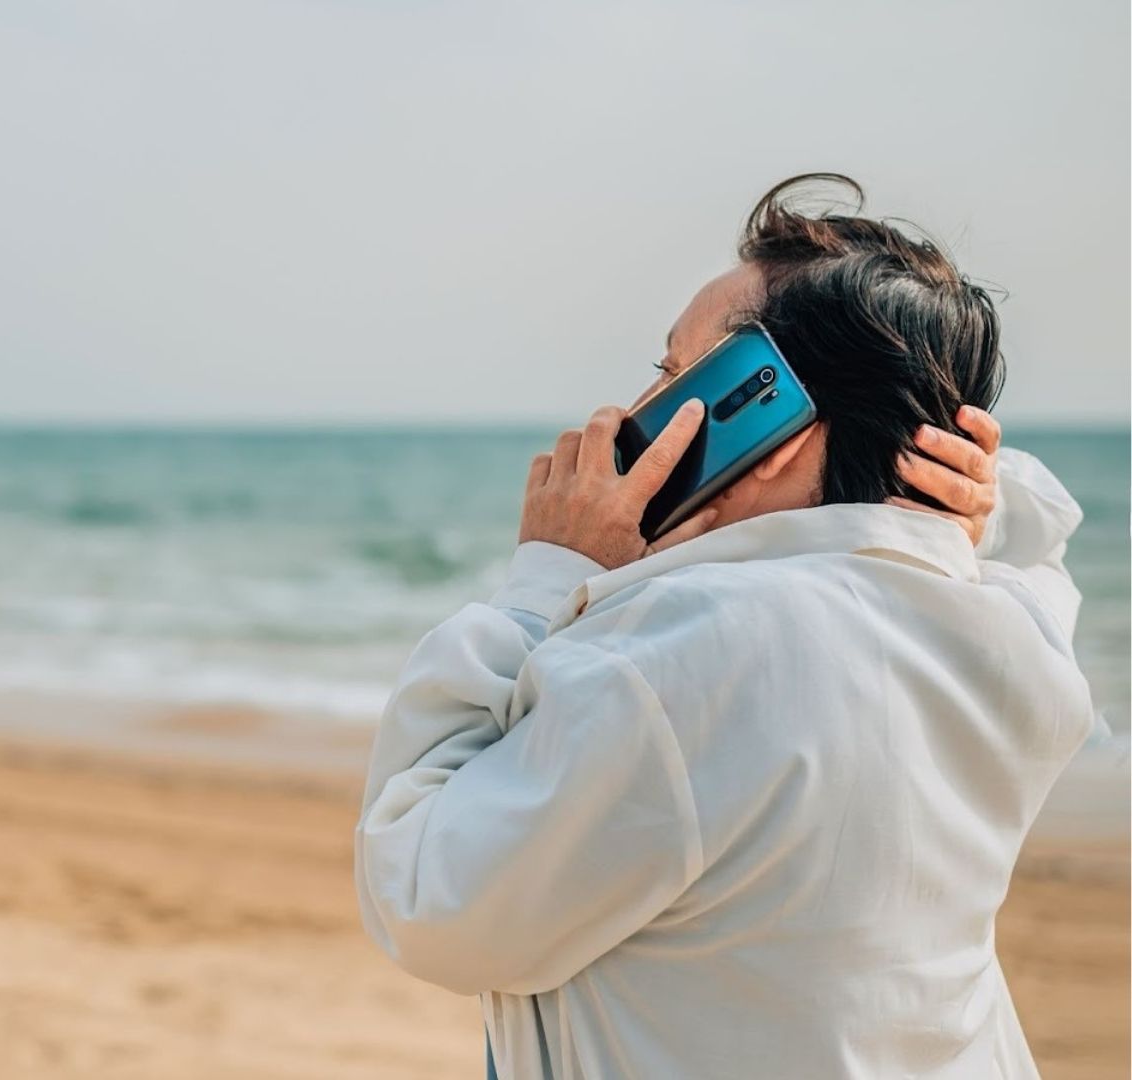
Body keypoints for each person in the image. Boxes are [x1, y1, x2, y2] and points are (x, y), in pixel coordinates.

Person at [354, 174, 1091, 1079]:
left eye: (671, 372)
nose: (631, 411)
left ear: (764, 415)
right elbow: (1037, 555)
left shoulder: (686, 650)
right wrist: (960, 499)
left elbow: (428, 899)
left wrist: (543, 585)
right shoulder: (1013, 633)